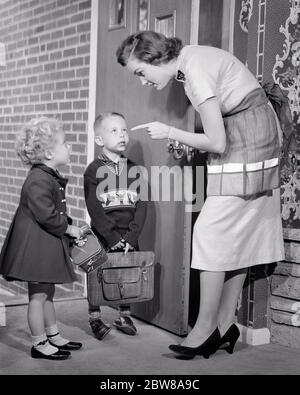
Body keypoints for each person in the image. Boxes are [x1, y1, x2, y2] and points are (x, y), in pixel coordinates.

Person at [116, 31, 285, 359]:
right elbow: (218, 129)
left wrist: (170, 131)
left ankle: (205, 328)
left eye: (140, 72)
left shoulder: (194, 72)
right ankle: (224, 324)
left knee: (210, 231)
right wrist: (185, 137)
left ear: (156, 59)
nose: (143, 82)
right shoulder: (191, 62)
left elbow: (216, 141)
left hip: (248, 140)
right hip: (247, 134)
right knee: (235, 236)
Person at [0, 117, 83, 360]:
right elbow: (46, 215)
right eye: (65, 143)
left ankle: (52, 334)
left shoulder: (47, 175)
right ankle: (38, 343)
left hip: (43, 243)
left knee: (47, 293)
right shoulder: (38, 178)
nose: (70, 147)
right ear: (48, 152)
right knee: (37, 296)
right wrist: (70, 229)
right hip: (35, 247)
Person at [84, 112, 147, 340]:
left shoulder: (135, 170)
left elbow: (142, 205)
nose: (122, 134)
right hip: (104, 235)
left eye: (124, 130)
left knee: (127, 273)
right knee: (97, 273)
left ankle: (124, 315)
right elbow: (95, 208)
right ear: (100, 140)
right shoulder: (93, 170)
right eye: (114, 130)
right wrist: (111, 238)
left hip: (128, 234)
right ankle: (95, 317)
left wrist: (131, 237)